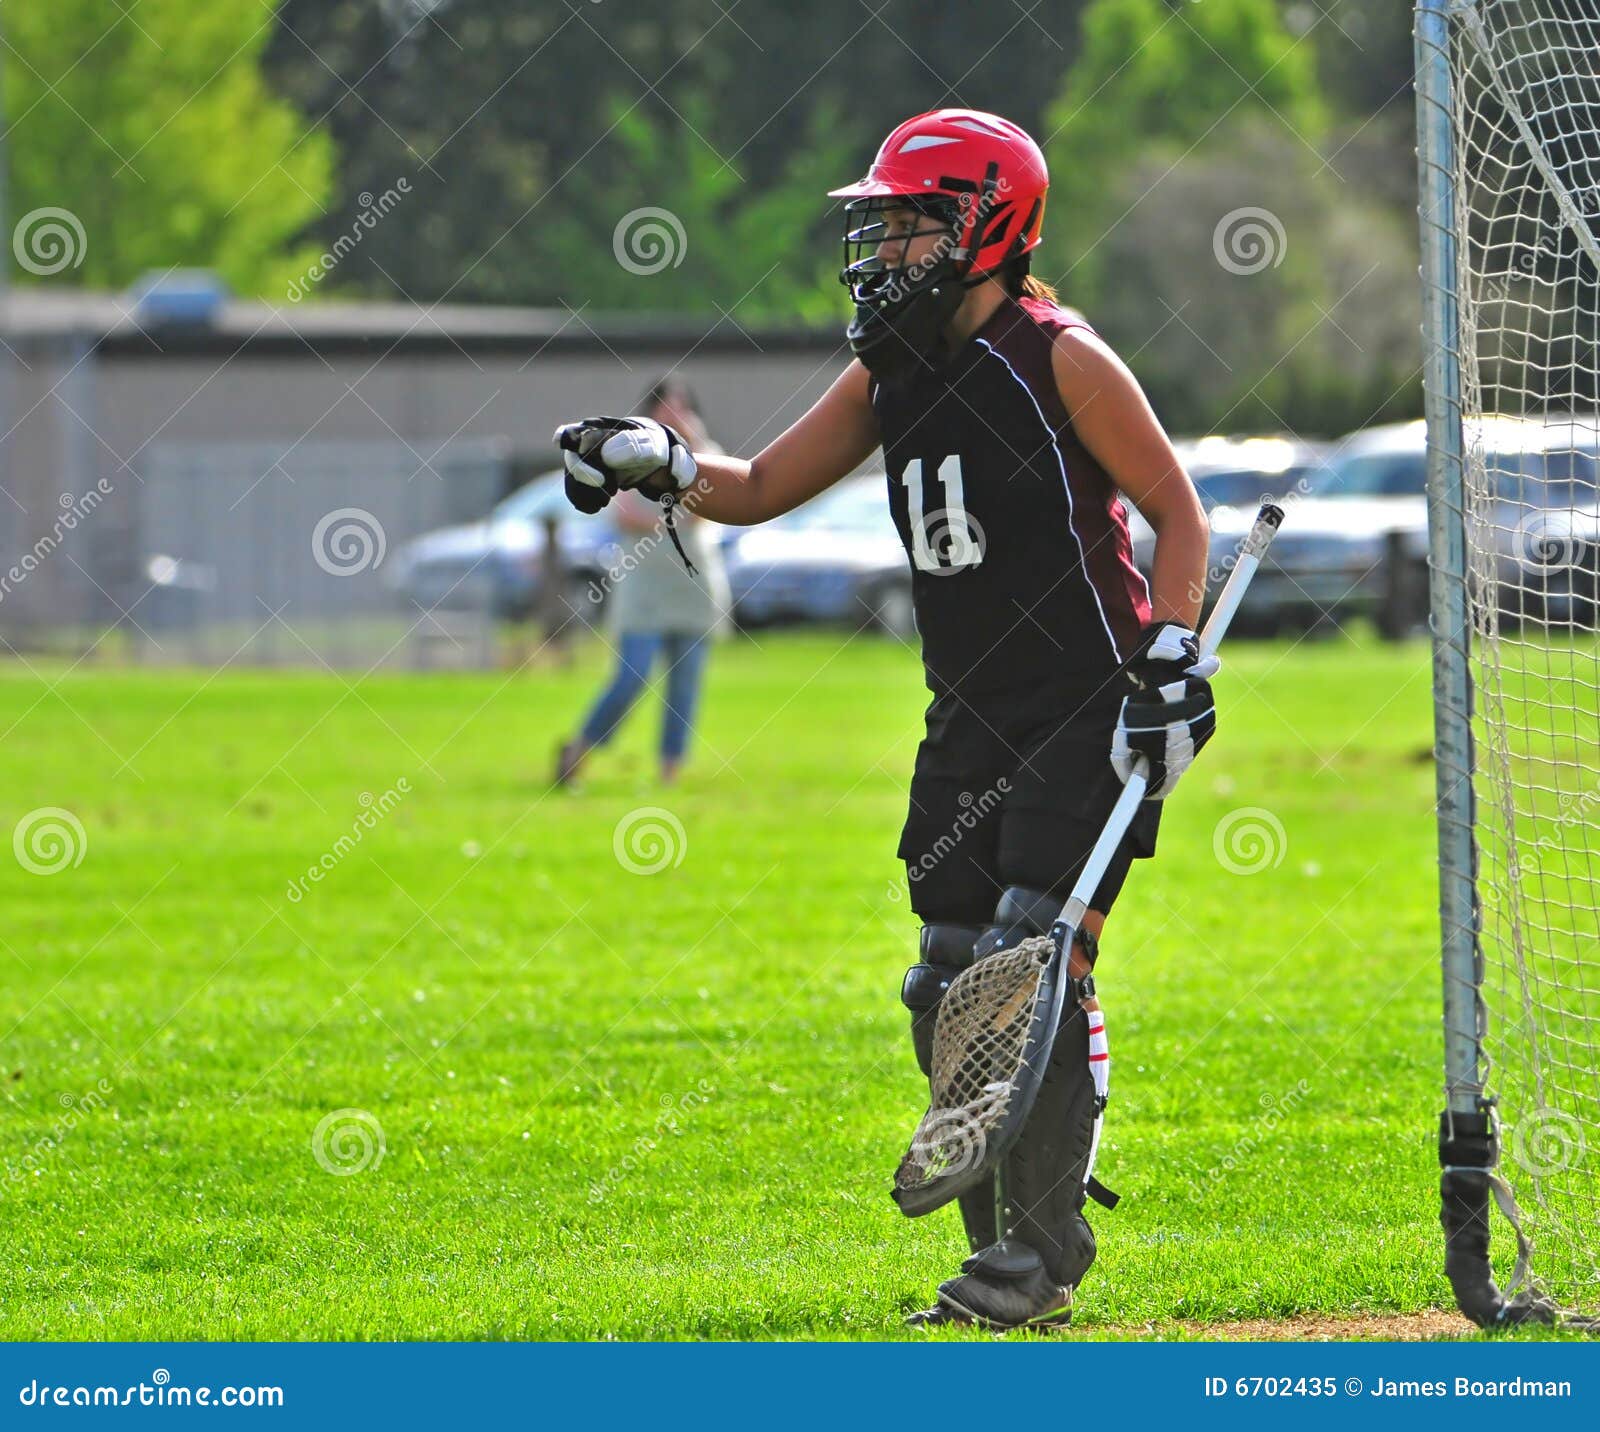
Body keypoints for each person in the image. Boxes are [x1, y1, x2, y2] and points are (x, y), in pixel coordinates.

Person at [554, 110, 1215, 1331]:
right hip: (966, 711)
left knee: (1029, 965)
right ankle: (991, 1252)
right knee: (944, 976)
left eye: (917, 221)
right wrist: (662, 459)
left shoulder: (1059, 354)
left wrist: (1172, 649)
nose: (893, 245)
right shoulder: (889, 369)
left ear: (992, 227)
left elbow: (1177, 511)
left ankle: (1039, 1257)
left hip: (1087, 701)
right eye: (888, 222)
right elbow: (756, 487)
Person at [554, 378, 730, 787]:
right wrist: (669, 522)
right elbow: (624, 514)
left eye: (682, 408)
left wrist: (693, 442)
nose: (675, 416)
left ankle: (670, 772)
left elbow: (710, 505)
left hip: (692, 585)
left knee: (685, 684)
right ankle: (577, 751)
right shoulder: (628, 452)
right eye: (667, 407)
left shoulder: (705, 453)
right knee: (631, 675)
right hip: (643, 585)